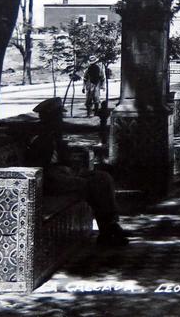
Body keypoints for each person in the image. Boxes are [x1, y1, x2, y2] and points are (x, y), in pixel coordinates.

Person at [27, 98, 129, 247]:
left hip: (64, 174)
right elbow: (39, 167)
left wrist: (70, 168)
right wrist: (63, 170)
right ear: (49, 117)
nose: (61, 119)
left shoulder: (55, 133)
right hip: (48, 180)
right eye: (58, 116)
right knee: (89, 185)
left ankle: (111, 225)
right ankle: (108, 229)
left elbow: (65, 158)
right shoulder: (39, 137)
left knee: (103, 177)